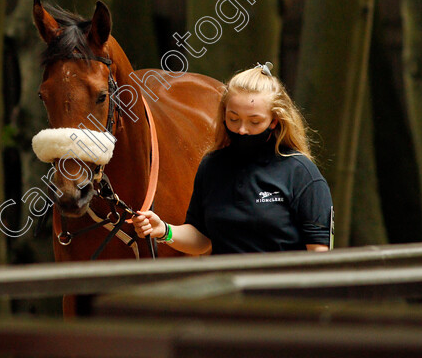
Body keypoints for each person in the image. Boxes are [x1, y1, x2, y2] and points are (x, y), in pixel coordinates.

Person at [133, 62, 333, 254]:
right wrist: (164, 230)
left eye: (255, 121)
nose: (242, 130)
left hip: (279, 287)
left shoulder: (301, 173)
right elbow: (202, 240)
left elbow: (319, 255)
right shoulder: (212, 166)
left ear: (274, 121)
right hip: (226, 286)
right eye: (233, 119)